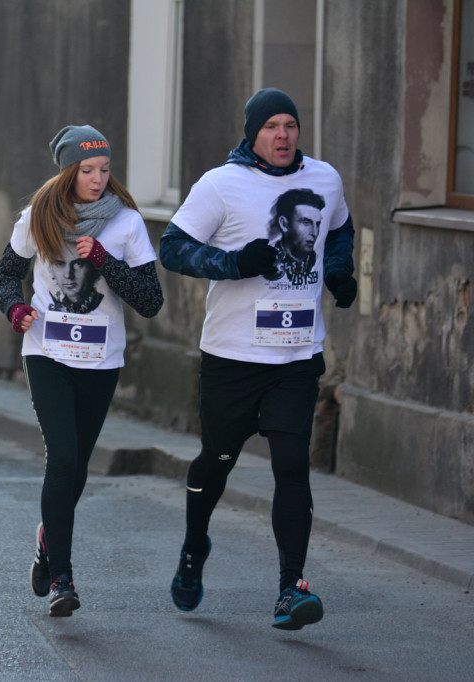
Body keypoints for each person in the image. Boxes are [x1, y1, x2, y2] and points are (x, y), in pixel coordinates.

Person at [159, 88, 357, 630]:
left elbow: (339, 227)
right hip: (233, 357)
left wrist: (339, 271)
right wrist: (232, 263)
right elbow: (172, 247)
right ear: (252, 133)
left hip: (297, 356)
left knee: (292, 466)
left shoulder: (324, 178)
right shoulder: (220, 185)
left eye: (290, 124)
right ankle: (194, 549)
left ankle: (291, 588)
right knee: (216, 463)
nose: (283, 135)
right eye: (271, 126)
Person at [0, 125, 164, 616]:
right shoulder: (37, 217)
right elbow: (6, 274)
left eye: (104, 170)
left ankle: (49, 540)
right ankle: (63, 580)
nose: (97, 179)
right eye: (87, 170)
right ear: (68, 172)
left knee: (78, 467)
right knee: (62, 456)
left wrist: (107, 261)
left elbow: (151, 302)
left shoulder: (126, 224)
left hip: (100, 360)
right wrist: (14, 309)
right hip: (46, 352)